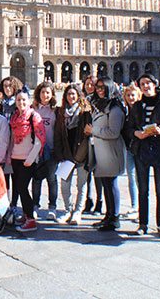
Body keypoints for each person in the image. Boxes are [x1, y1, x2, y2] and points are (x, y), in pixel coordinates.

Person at [122, 73, 160, 237]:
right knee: (143, 189)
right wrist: (136, 134)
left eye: (148, 83)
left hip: (159, 149)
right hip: (141, 150)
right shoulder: (137, 106)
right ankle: (143, 224)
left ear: (155, 83)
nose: (146, 86)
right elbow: (128, 129)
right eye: (142, 84)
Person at [54, 84, 92, 226]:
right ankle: (67, 209)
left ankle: (78, 212)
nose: (71, 97)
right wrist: (59, 154)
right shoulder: (61, 112)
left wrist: (80, 155)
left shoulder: (85, 112)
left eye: (73, 94)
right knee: (64, 185)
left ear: (78, 95)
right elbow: (57, 134)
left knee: (81, 185)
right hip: (66, 154)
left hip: (81, 154)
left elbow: (87, 136)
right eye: (69, 94)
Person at [90, 79, 126, 232]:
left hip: (111, 150)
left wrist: (93, 130)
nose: (99, 90)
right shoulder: (103, 105)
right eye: (98, 87)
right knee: (106, 183)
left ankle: (115, 217)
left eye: (103, 88)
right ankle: (108, 215)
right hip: (102, 149)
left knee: (111, 184)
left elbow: (113, 132)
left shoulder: (115, 109)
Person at [9, 90, 45, 233]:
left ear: (29, 101)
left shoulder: (34, 117)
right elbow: (13, 139)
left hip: (27, 159)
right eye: (18, 100)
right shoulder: (14, 117)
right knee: (18, 188)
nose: (21, 102)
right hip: (16, 158)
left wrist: (30, 159)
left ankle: (30, 220)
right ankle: (25, 215)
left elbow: (39, 140)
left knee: (22, 188)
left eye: (24, 99)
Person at [31, 81, 58, 220]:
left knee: (52, 179)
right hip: (36, 149)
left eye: (48, 92)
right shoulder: (33, 109)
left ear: (52, 94)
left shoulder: (56, 110)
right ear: (38, 94)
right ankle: (35, 205)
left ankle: (52, 207)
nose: (45, 95)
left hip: (52, 149)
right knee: (36, 179)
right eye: (42, 92)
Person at [120, 84, 140, 218]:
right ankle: (134, 205)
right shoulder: (124, 111)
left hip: (140, 149)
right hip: (128, 148)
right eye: (128, 95)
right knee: (131, 177)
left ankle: (141, 205)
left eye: (133, 95)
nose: (131, 98)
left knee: (140, 178)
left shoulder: (142, 111)